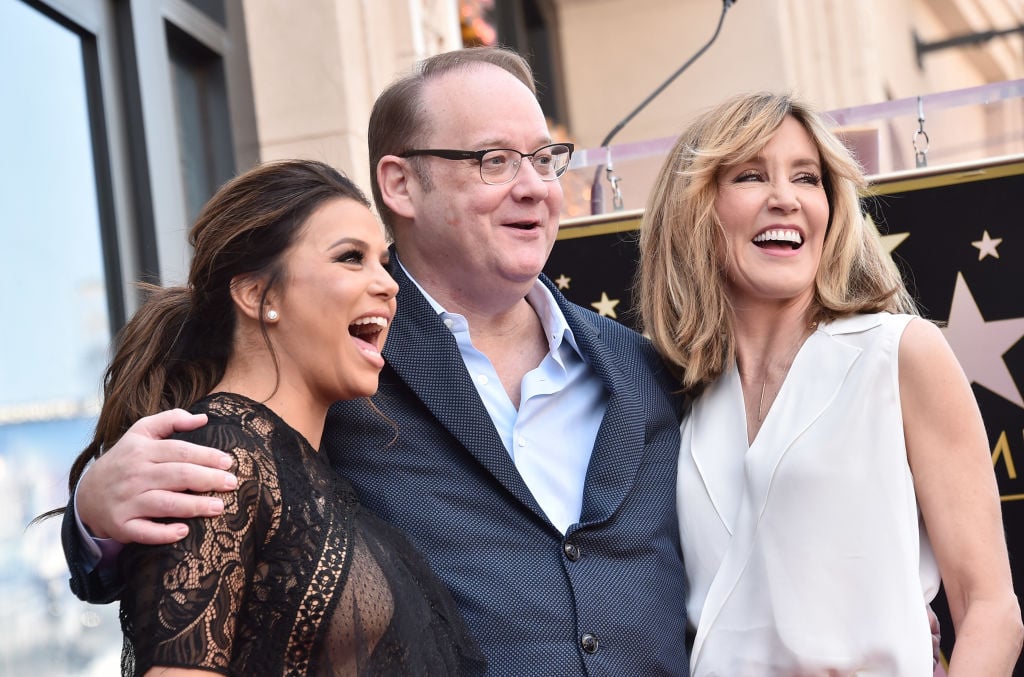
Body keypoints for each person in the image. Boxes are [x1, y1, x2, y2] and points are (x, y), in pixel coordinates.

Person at [61, 48, 690, 675]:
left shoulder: (642, 364)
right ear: (400, 184)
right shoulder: (332, 352)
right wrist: (93, 515)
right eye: (494, 160)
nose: (534, 187)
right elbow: (200, 528)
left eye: (545, 159)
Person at [637, 91, 1023, 675]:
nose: (785, 199)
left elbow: (991, 609)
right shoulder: (672, 396)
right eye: (750, 176)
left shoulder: (897, 354)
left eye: (806, 177)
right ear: (696, 210)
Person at [50, 159, 484, 675]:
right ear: (258, 294)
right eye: (351, 258)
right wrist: (90, 512)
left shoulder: (305, 462)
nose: (388, 286)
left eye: (383, 264)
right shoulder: (218, 456)